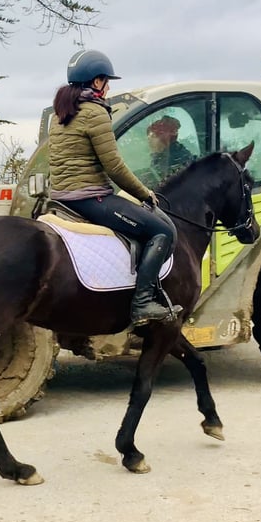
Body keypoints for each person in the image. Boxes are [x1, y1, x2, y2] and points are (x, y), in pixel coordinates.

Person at [48, 49, 182, 326]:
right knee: (162, 230)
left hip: (61, 197)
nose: (109, 87)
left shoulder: (59, 113)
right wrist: (145, 193)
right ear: (96, 82)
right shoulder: (95, 113)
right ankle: (143, 303)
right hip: (88, 197)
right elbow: (114, 167)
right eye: (107, 81)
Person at [147, 115, 195, 181]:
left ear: (164, 137)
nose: (149, 140)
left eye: (153, 136)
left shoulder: (178, 159)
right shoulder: (161, 156)